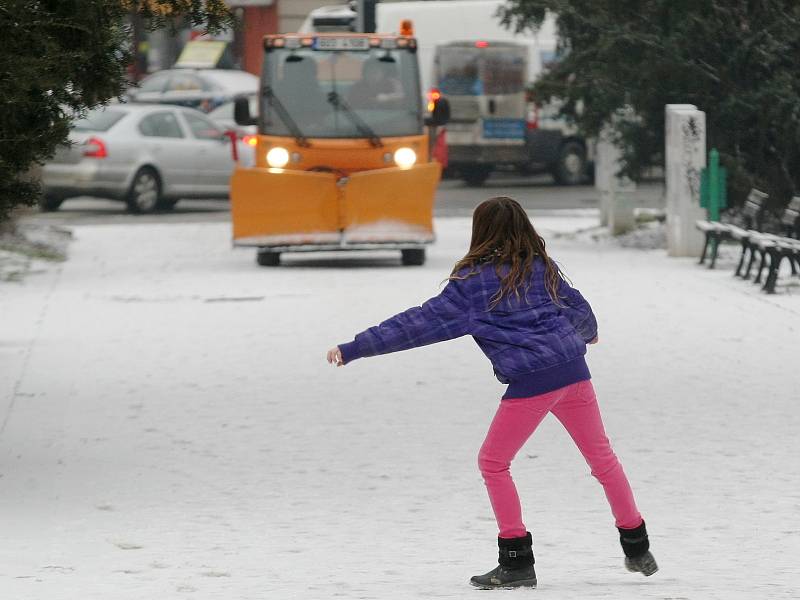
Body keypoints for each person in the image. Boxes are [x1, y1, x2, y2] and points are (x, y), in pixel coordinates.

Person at [326, 196, 658, 589]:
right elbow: (578, 308)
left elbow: (417, 324)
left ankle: (516, 560)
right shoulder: (541, 267)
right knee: (603, 459)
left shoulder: (472, 285)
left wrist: (355, 348)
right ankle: (637, 546)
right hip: (573, 372)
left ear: (480, 232)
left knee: (493, 462)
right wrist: (587, 333)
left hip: (533, 382)